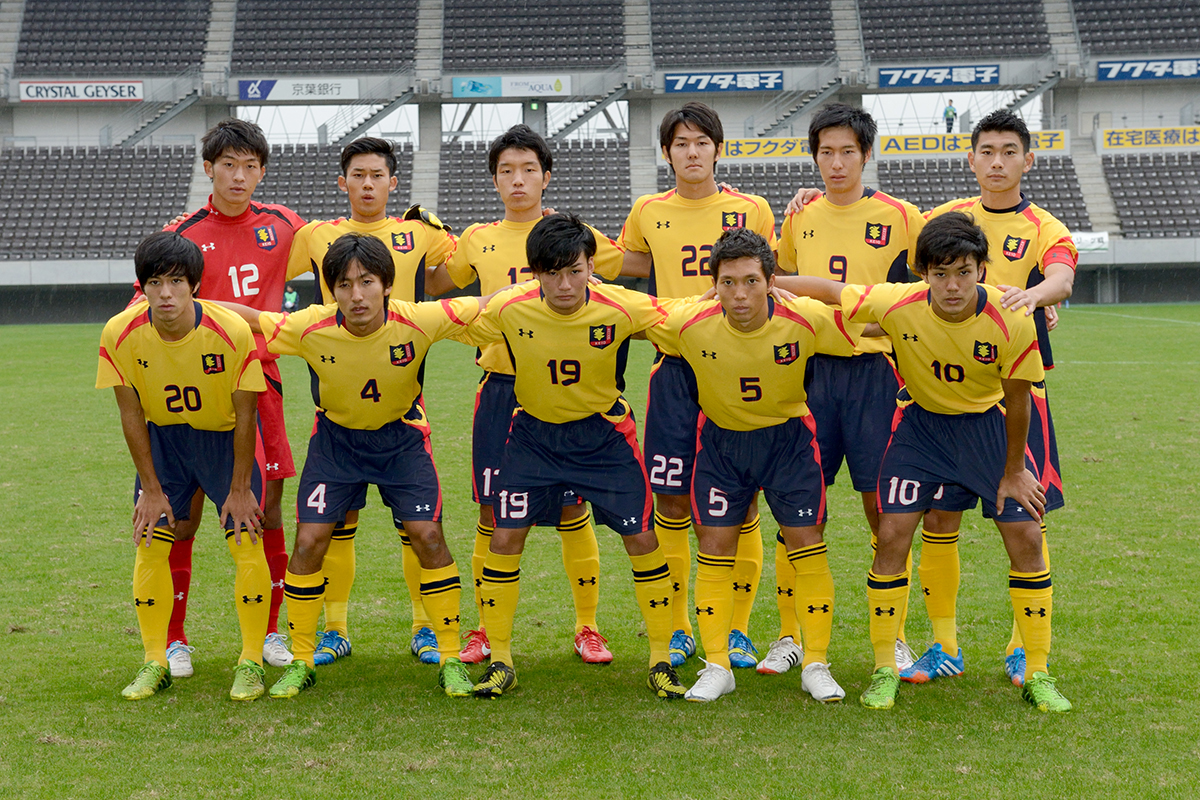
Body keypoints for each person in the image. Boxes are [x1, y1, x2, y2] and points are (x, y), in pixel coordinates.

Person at [778, 211, 1072, 713]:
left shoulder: (1011, 316)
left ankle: (1038, 671)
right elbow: (829, 289)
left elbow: (1018, 399)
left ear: (981, 269)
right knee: (892, 535)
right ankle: (884, 669)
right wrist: (766, 281)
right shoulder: (899, 303)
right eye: (939, 273)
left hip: (987, 427)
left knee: (1025, 535)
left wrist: (1013, 471)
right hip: (921, 429)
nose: (951, 285)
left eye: (963, 271)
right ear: (922, 273)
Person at [223, 233, 490, 699]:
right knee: (309, 541)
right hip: (336, 444)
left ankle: (450, 656)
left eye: (367, 281)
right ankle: (302, 660)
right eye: (344, 285)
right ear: (332, 290)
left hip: (401, 440)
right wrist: (183, 300)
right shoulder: (311, 326)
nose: (356, 295)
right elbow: (254, 320)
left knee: (428, 535)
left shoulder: (418, 319)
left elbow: (486, 303)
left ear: (387, 284)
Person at [460, 213, 684, 699]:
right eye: (553, 273)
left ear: (591, 267)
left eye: (575, 271)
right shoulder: (508, 308)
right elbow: (445, 320)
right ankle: (500, 659)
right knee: (504, 536)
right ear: (535, 272)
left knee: (642, 538)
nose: (565, 284)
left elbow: (679, 313)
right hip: (533, 437)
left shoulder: (619, 306)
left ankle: (661, 659)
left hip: (604, 439)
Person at [426, 124, 624, 666]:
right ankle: (486, 632)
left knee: (572, 511)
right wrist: (429, 236)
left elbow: (626, 269)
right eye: (507, 171)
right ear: (494, 180)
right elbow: (438, 285)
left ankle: (588, 626)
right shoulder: (478, 238)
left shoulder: (576, 233)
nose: (518, 180)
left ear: (546, 176)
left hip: (567, 390)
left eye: (529, 169)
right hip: (502, 390)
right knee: (492, 512)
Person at [645, 228, 860, 703]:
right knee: (715, 545)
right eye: (727, 283)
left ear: (771, 281)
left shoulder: (804, 319)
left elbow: (877, 325)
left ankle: (817, 661)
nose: (739, 295)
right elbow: (622, 316)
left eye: (750, 281)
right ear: (713, 285)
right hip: (721, 446)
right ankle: (718, 664)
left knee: (807, 543)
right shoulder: (688, 322)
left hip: (789, 444)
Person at [912, 109, 1076, 686]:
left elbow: (1060, 278)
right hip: (943, 393)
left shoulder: (1045, 226)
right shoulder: (942, 219)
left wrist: (1031, 297)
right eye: (987, 151)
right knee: (937, 515)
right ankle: (944, 644)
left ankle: (1019, 647)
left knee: (1026, 517)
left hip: (1016, 388)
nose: (998, 161)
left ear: (1028, 160)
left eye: (1010, 151)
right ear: (971, 159)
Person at [284, 136, 459, 669]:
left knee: (418, 528)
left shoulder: (418, 231)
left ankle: (426, 628)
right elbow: (263, 263)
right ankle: (332, 629)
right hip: (336, 397)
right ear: (343, 182)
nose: (367, 184)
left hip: (402, 399)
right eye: (356, 175)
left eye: (376, 175)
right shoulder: (316, 236)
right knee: (336, 525)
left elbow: (460, 276)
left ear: (392, 181)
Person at [140, 118, 304, 679]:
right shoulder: (182, 233)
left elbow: (341, 256)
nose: (240, 176)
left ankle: (273, 629)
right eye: (228, 165)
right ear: (208, 168)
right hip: (199, 394)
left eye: (251, 166)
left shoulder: (285, 226)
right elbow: (147, 307)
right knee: (180, 520)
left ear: (262, 170)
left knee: (269, 509)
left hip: (264, 386)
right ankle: (175, 639)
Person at [765, 104, 924, 678]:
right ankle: (790, 634)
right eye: (825, 152)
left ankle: (896, 635)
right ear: (813, 157)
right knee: (799, 508)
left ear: (866, 154)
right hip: (807, 376)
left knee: (885, 506)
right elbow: (776, 286)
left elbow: (943, 281)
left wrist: (1032, 305)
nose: (836, 163)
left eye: (847, 152)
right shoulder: (799, 217)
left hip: (876, 377)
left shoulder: (903, 216)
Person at [618, 101, 777, 669]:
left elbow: (770, 280)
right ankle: (683, 626)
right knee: (671, 496)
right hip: (675, 370)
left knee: (743, 499)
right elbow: (628, 266)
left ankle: (735, 629)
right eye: (681, 143)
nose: (692, 152)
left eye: (701, 142)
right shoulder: (646, 210)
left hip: (739, 369)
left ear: (717, 148)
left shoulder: (750, 209)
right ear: (667, 153)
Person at [98, 232, 271, 701]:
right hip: (165, 444)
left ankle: (251, 661)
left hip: (221, 440)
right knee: (151, 539)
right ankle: (155, 660)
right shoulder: (120, 333)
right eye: (155, 282)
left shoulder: (230, 329)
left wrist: (239, 486)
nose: (166, 294)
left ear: (194, 284)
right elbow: (130, 413)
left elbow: (247, 412)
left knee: (244, 536)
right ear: (143, 287)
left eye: (176, 281)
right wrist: (150, 489)